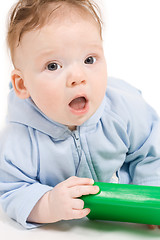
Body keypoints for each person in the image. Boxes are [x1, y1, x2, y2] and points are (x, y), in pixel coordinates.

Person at [0, 0, 160, 230]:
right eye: (53, 66)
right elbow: (12, 190)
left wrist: (150, 198)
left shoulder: (124, 110)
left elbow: (150, 152)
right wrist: (48, 204)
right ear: (22, 84)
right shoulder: (19, 140)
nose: (78, 76)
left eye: (89, 60)